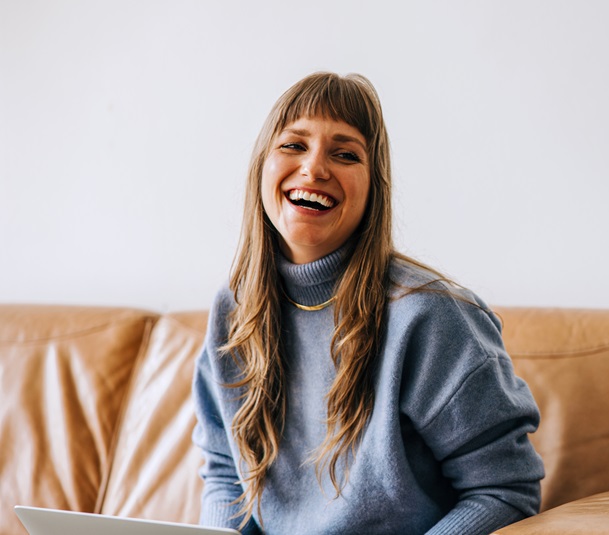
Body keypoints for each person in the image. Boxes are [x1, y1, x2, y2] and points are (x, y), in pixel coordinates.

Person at [192, 72, 544, 535]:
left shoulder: (432, 317)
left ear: (373, 188)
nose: (315, 168)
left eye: (345, 154)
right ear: (261, 165)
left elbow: (506, 492)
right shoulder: (234, 310)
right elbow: (225, 471)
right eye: (294, 145)